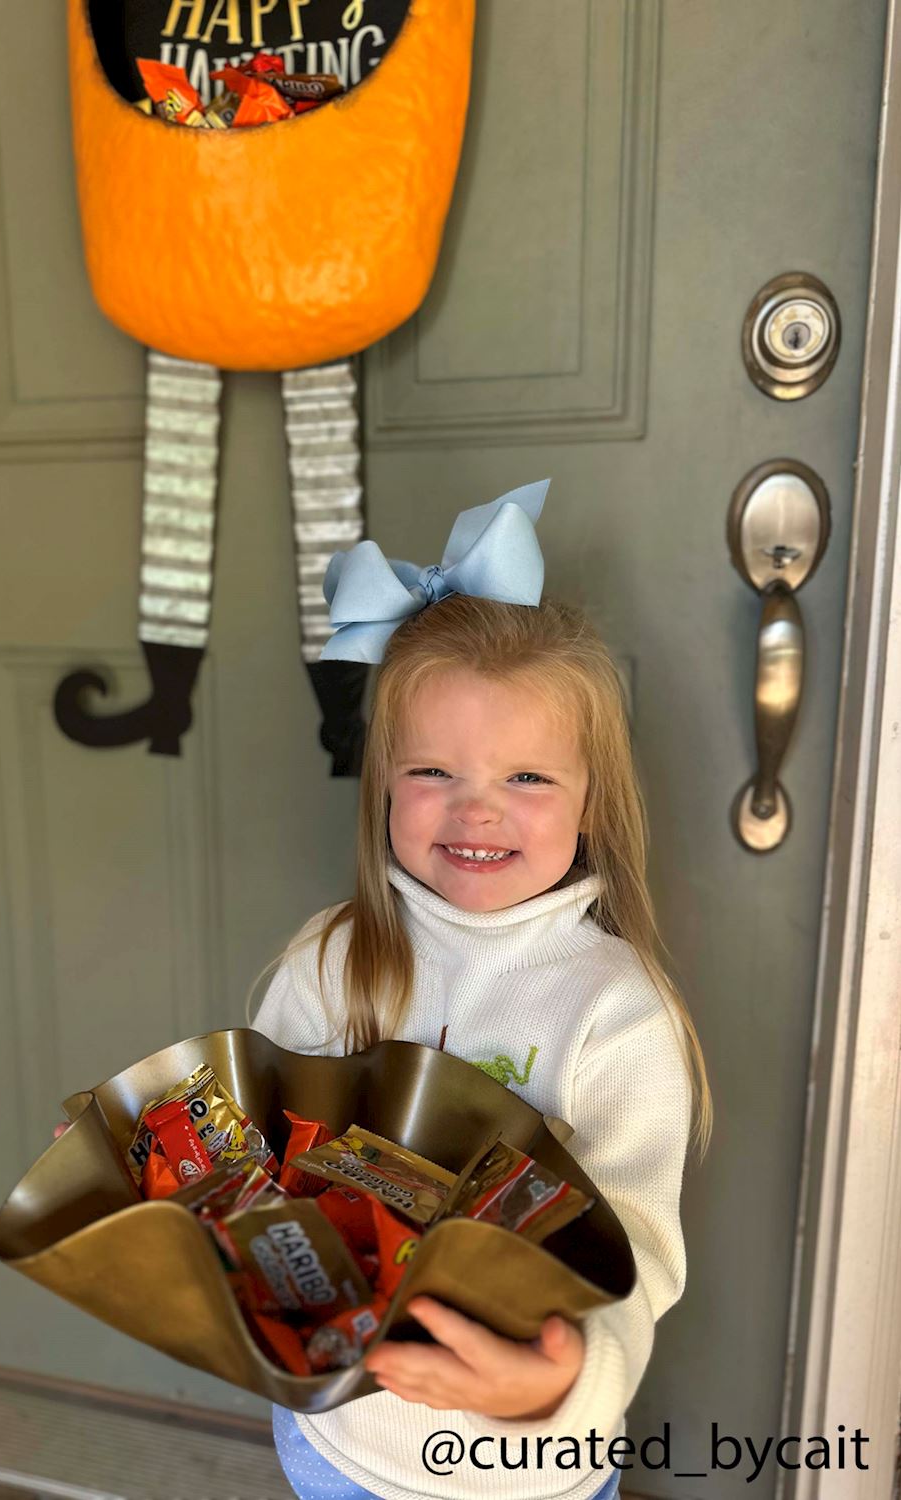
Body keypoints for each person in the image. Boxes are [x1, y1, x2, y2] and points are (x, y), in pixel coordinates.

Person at [247, 481, 712, 1500]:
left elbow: (635, 1254)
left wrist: (563, 1384)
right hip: (334, 1441)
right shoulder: (329, 960)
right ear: (382, 782)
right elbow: (257, 1145)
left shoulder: (615, 1014)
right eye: (432, 772)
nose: (477, 811)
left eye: (527, 779)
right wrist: (148, 1171)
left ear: (593, 801)